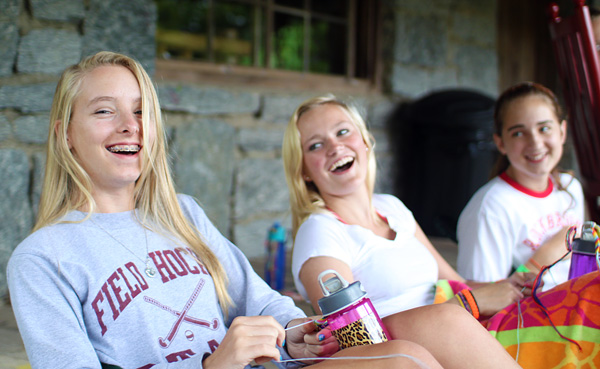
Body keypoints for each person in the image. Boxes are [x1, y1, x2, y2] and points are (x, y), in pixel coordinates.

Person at [6, 51, 449, 369]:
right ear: (65, 134)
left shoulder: (183, 214)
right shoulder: (44, 258)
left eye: (143, 111)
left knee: (417, 346)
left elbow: (259, 300)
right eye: (105, 110)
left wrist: (294, 333)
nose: (130, 125)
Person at [282, 95, 523, 369]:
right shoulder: (319, 231)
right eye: (316, 145)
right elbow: (354, 338)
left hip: (457, 331)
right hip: (409, 349)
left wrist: (513, 286)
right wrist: (468, 303)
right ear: (303, 171)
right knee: (450, 322)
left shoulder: (393, 207)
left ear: (365, 140)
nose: (335, 147)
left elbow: (456, 281)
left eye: (343, 132)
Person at [456, 82, 585, 290]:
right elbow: (481, 295)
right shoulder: (491, 208)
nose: (535, 142)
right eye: (518, 133)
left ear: (562, 131)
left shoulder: (571, 187)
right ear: (500, 143)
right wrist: (545, 256)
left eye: (544, 128)